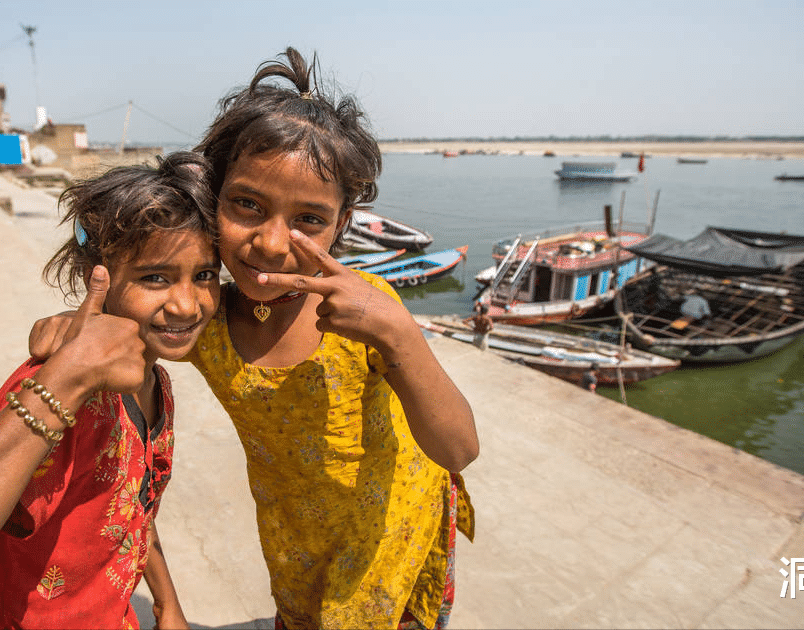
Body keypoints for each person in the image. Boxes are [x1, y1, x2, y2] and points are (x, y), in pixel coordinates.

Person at [30, 48, 479, 630]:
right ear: (212, 199)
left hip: (394, 553)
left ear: (341, 225)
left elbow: (458, 449)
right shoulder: (206, 321)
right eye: (247, 205)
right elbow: (126, 328)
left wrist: (400, 334)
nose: (271, 243)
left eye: (308, 220)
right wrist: (72, 325)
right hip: (298, 556)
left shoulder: (367, 311)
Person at [0, 151, 219, 630]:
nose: (187, 304)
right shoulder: (55, 393)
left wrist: (166, 603)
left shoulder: (154, 381)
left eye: (204, 275)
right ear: (95, 277)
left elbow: (131, 504)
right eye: (154, 278)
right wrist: (67, 377)